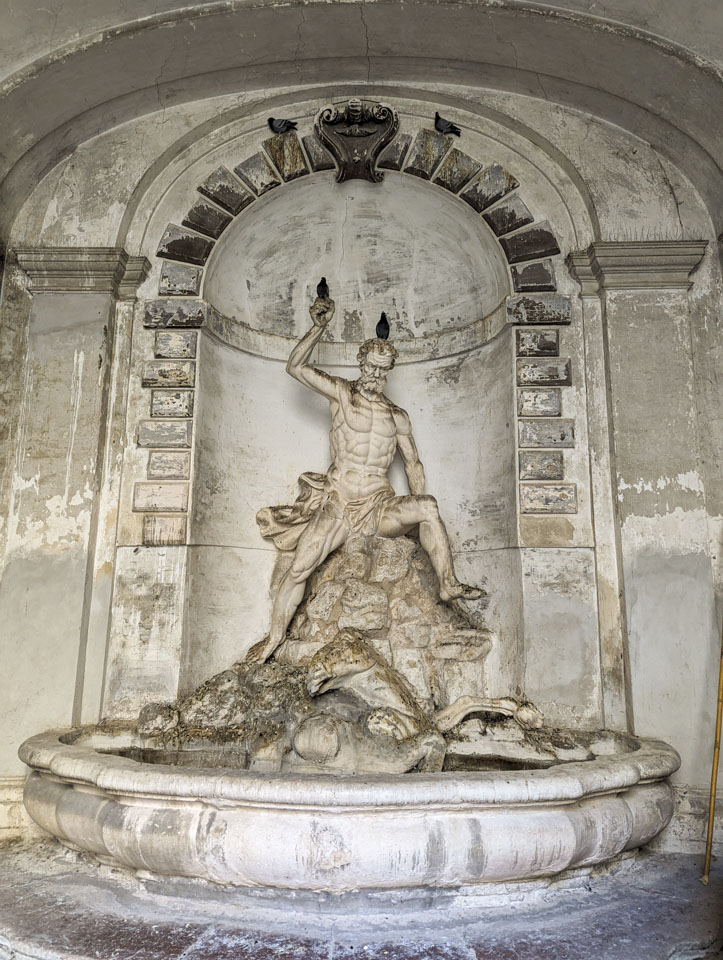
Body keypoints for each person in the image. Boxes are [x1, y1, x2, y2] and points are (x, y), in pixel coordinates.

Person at [250, 295, 484, 664]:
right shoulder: (343, 394)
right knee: (300, 567)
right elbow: (295, 367)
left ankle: (447, 583)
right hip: (340, 502)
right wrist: (319, 327)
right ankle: (274, 638)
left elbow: (414, 466)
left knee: (428, 506)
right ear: (361, 364)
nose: (376, 376)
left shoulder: (398, 416)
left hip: (378, 504)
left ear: (389, 369)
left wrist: (420, 523)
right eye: (371, 368)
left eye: (383, 370)